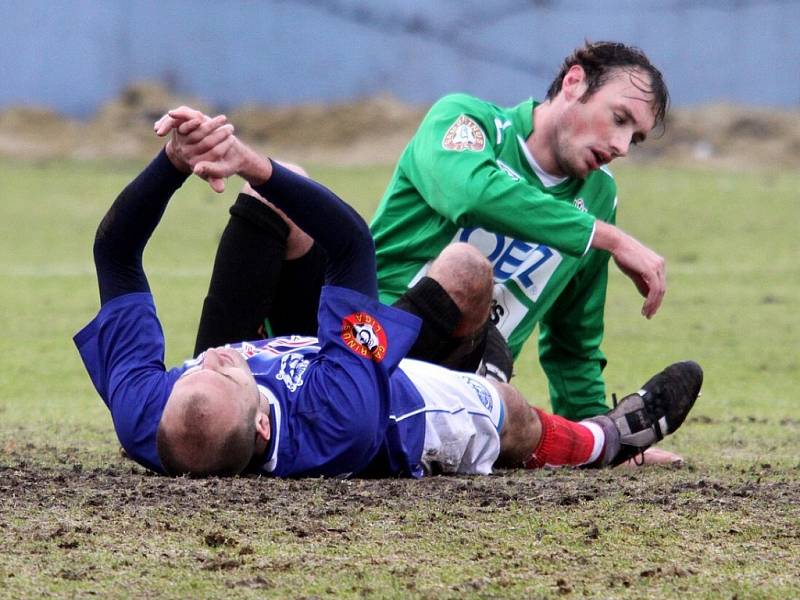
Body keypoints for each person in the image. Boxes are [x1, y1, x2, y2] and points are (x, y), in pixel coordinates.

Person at [73, 107, 702, 478]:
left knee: (282, 188)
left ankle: (480, 355)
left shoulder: (145, 414)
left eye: (192, 372)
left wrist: (175, 163)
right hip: (392, 405)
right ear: (263, 422)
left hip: (309, 361)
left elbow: (114, 252)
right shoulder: (335, 411)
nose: (213, 357)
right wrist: (245, 158)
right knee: (502, 409)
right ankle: (607, 441)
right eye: (226, 371)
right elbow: (352, 245)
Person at [198, 41, 679, 464]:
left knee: (466, 271)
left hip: (448, 370)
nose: (621, 146)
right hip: (351, 327)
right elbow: (468, 192)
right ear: (574, 82)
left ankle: (584, 440)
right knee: (282, 187)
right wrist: (605, 236)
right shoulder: (467, 122)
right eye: (619, 119)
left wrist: (599, 433)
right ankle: (202, 397)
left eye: (634, 137)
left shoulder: (598, 200)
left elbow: (573, 340)